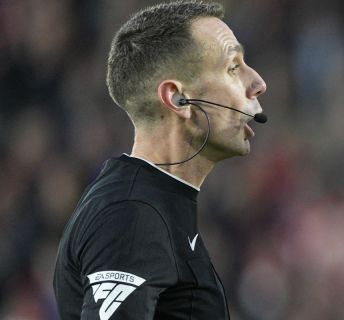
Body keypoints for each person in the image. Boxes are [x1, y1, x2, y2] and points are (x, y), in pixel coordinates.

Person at [53, 1, 267, 319]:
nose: (258, 83)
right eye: (233, 67)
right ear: (178, 99)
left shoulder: (155, 205)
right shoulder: (131, 215)